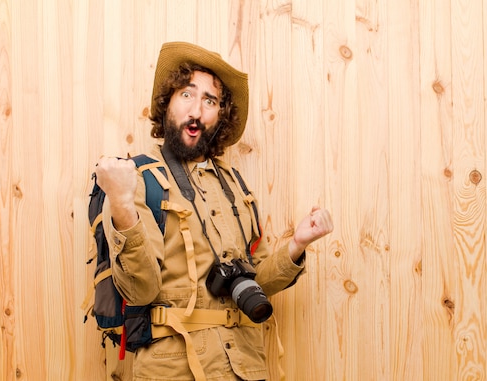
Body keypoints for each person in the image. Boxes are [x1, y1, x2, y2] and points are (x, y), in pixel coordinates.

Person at [94, 41, 333, 380]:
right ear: (167, 103)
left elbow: (255, 281)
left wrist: (297, 244)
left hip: (246, 366)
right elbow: (141, 290)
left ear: (221, 115)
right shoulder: (133, 179)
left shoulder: (235, 185)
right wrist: (119, 202)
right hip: (174, 369)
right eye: (187, 94)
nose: (197, 110)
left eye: (210, 101)